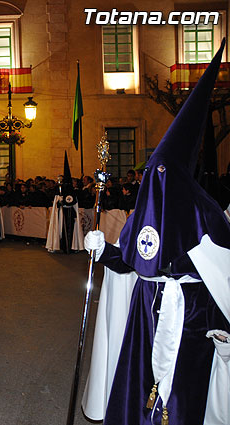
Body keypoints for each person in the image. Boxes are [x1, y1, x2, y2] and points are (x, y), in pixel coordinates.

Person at [82, 41, 230, 425]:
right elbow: (132, 260)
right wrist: (103, 250)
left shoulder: (206, 213)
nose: (155, 181)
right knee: (141, 383)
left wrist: (221, 325)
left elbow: (222, 277)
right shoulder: (149, 206)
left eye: (163, 173)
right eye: (152, 172)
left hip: (192, 316)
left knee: (182, 392)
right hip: (146, 309)